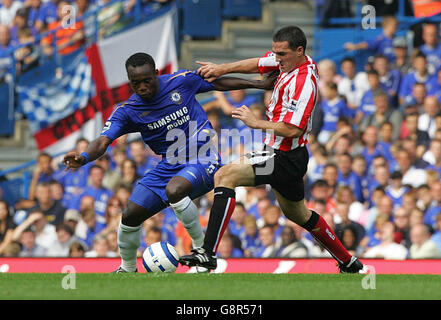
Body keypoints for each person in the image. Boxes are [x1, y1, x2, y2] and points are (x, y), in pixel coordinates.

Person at [62, 52, 275, 272]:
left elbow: (217, 83)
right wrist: (84, 157)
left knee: (175, 190)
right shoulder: (128, 111)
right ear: (130, 82)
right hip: (168, 165)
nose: (143, 86)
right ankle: (127, 269)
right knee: (130, 215)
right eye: (136, 83)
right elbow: (104, 140)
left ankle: (202, 251)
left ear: (156, 73)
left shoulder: (180, 81)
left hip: (204, 158)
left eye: (147, 80)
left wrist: (258, 84)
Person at [179, 26, 364, 273]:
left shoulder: (305, 83)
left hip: (283, 155)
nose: (276, 59)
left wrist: (257, 123)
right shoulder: (290, 61)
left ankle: (207, 253)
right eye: (276, 52)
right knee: (300, 215)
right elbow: (258, 62)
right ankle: (348, 262)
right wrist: (221, 68)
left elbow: (293, 130)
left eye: (282, 54)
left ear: (299, 51)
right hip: (290, 157)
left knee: (225, 175)